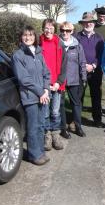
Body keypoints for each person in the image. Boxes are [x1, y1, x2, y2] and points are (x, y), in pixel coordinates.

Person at [12, 26, 51, 165]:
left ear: (35, 37)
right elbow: (24, 79)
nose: (28, 38)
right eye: (25, 35)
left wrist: (46, 90)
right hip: (30, 97)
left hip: (43, 96)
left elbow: (46, 73)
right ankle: (34, 155)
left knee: (41, 125)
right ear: (21, 38)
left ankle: (40, 151)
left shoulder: (39, 53)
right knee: (33, 126)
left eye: (30, 35)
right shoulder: (18, 55)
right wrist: (40, 92)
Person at [39, 19, 67, 151]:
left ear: (54, 30)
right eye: (46, 28)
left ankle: (56, 135)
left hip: (56, 84)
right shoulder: (38, 43)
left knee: (55, 111)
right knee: (44, 112)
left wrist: (58, 82)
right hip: (43, 85)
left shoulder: (59, 44)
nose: (48, 30)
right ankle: (47, 136)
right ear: (43, 29)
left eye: (51, 28)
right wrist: (44, 85)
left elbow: (64, 66)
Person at [75, 12, 105, 127]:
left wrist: (93, 65)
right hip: (80, 71)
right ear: (83, 24)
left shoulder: (99, 38)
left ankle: (97, 120)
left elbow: (101, 55)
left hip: (95, 71)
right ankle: (77, 121)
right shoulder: (77, 37)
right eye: (86, 22)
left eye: (91, 22)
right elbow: (74, 55)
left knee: (96, 95)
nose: (89, 24)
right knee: (79, 96)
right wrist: (84, 66)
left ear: (94, 24)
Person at [59, 21, 87, 137]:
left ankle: (78, 126)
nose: (65, 33)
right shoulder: (57, 44)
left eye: (68, 30)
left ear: (72, 31)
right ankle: (63, 128)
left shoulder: (77, 45)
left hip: (74, 78)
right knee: (60, 105)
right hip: (59, 79)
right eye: (62, 30)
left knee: (76, 104)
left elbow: (82, 62)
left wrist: (84, 77)